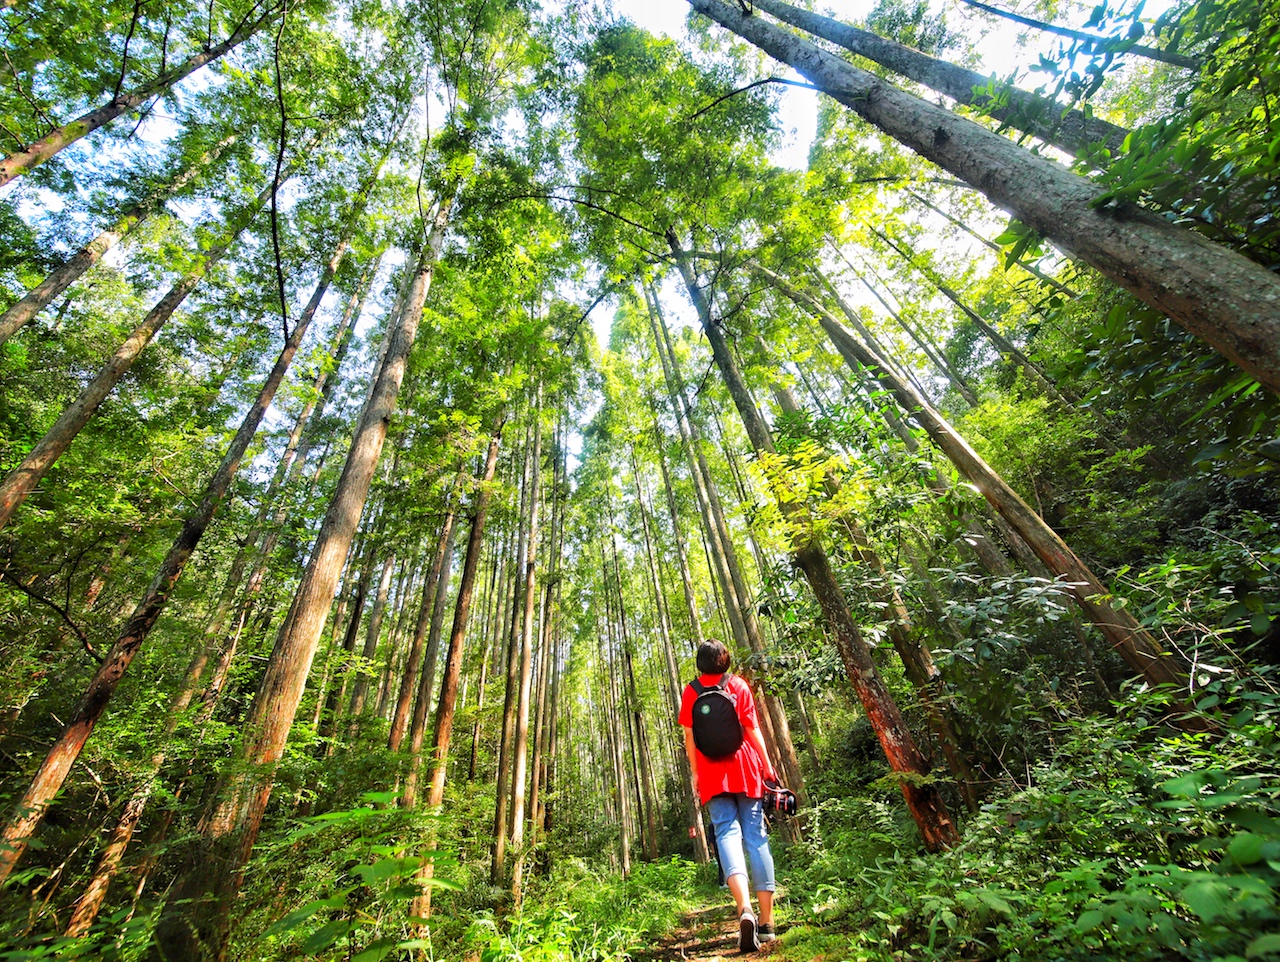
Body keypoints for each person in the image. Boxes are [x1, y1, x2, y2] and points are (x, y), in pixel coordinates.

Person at [680, 639, 778, 952]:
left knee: (726, 833)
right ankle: (767, 922)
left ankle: (744, 909)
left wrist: (696, 775)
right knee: (756, 836)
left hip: (711, 774)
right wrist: (768, 766)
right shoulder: (738, 685)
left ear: (700, 664)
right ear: (725, 661)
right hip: (746, 766)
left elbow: (690, 737)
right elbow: (752, 729)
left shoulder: (690, 691)